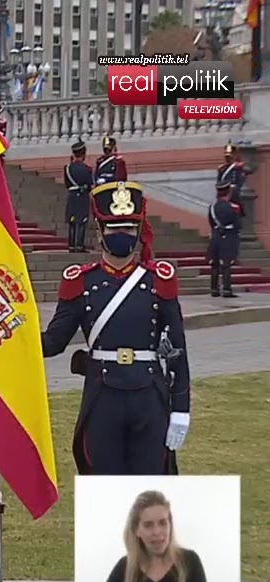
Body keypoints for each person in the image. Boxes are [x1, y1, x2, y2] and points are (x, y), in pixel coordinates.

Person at [40, 181, 191, 475]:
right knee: (104, 482)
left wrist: (181, 408)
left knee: (150, 485)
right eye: (113, 228)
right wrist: (12, 335)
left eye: (130, 228)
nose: (122, 235)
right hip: (102, 397)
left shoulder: (158, 280)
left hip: (149, 396)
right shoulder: (81, 282)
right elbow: (53, 342)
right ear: (99, 232)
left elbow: (177, 350)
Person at [207, 179, 243, 298]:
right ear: (228, 192)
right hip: (228, 237)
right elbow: (238, 224)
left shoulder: (212, 207)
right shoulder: (234, 207)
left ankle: (214, 289)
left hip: (215, 236)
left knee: (215, 264)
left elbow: (211, 223)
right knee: (226, 264)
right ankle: (227, 289)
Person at [64, 139, 94, 253]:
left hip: (72, 195)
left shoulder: (67, 168)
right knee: (81, 220)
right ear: (84, 154)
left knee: (72, 221)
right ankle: (79, 245)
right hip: (82, 196)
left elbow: (67, 184)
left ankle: (71, 245)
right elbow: (90, 184)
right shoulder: (87, 169)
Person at [217, 142, 247, 211]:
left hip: (233, 198)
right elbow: (218, 183)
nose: (227, 159)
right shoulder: (222, 169)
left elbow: (239, 183)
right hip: (223, 198)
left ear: (234, 157)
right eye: (226, 157)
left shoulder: (238, 168)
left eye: (229, 157)